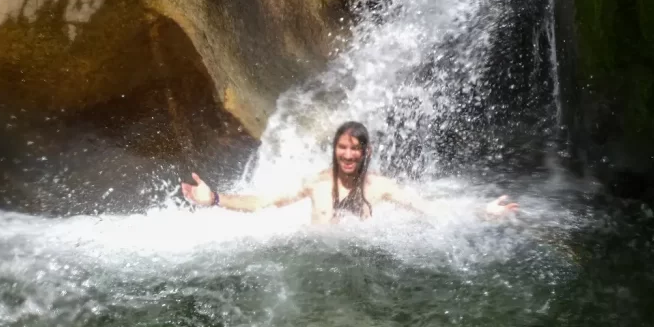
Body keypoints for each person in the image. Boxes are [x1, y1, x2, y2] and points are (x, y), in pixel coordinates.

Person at [181, 120, 519, 224]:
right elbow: (262, 203)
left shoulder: (380, 187)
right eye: (341, 147)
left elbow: (431, 209)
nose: (347, 154)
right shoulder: (316, 183)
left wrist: (483, 213)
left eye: (354, 148)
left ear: (366, 152)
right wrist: (214, 199)